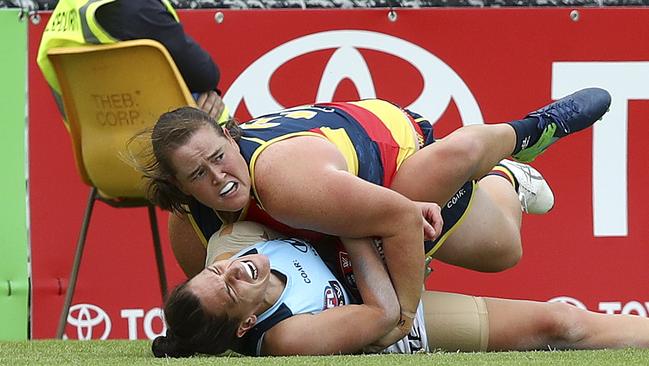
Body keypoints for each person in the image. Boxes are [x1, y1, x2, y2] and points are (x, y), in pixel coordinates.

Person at [132, 87, 611, 336]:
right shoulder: (190, 230)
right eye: (198, 176)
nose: (218, 178)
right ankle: (502, 177)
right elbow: (225, 319)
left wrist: (397, 322)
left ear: (231, 137)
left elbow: (402, 218)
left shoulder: (283, 181)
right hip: (343, 208)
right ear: (177, 188)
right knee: (229, 245)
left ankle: (525, 141)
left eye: (219, 157)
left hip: (394, 161)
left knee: (502, 248)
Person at [151, 221, 649, 357]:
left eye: (217, 272)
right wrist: (356, 218)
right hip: (400, 320)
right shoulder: (285, 338)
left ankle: (505, 178)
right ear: (246, 324)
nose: (233, 272)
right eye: (231, 288)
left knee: (487, 229)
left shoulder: (232, 243)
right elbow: (386, 316)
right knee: (559, 323)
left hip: (372, 251)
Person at [36, 0, 228, 122]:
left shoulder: (64, 12)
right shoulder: (136, 8)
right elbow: (205, 74)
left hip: (102, 157)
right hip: (175, 152)